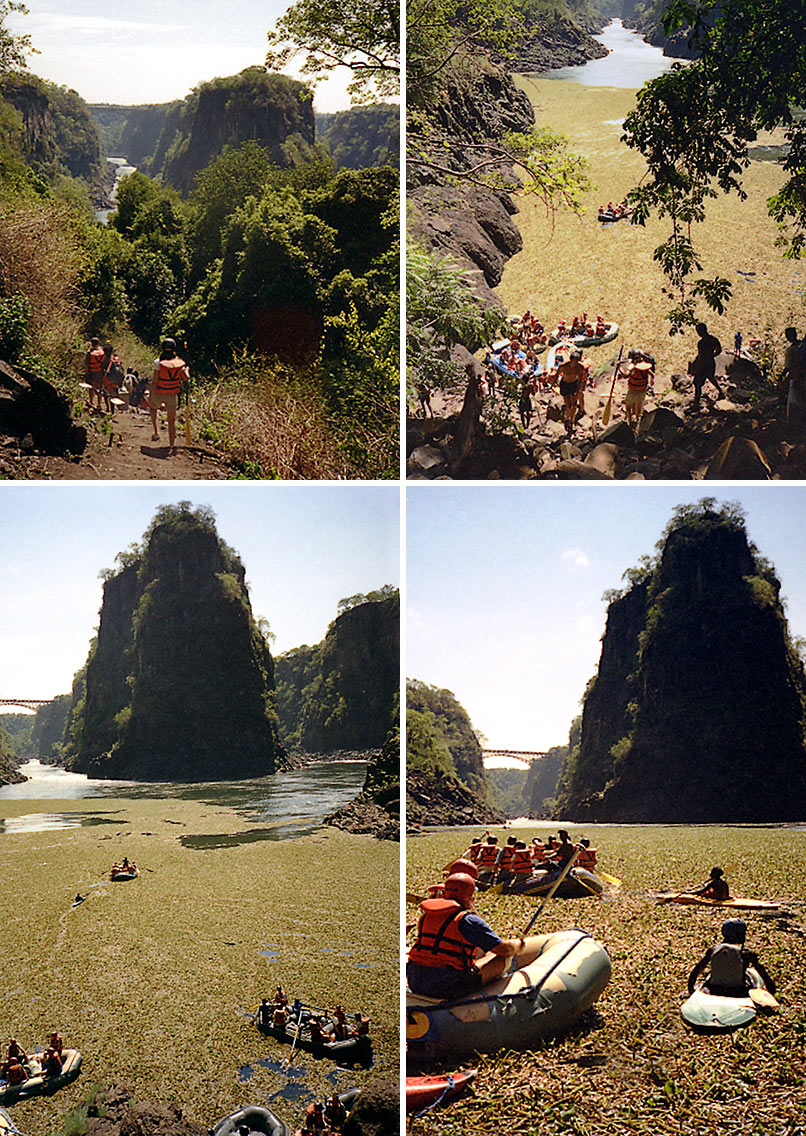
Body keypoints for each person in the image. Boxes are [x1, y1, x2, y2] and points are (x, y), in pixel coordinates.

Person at [407, 872, 540, 999]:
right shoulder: (467, 920)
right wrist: (518, 945)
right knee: (503, 959)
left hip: (415, 980)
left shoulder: (427, 915)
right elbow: (503, 949)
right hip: (446, 986)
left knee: (487, 955)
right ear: (471, 896)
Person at [688, 918, 776, 998]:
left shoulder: (713, 949)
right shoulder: (746, 953)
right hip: (737, 991)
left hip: (714, 988)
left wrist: (691, 988)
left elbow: (697, 969)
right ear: (740, 935)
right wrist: (772, 992)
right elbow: (762, 973)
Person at [150, 337, 189, 451]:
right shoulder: (179, 363)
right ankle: (171, 444)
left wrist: (151, 394)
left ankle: (156, 431)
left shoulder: (158, 362)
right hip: (172, 394)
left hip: (159, 391)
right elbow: (186, 378)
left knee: (152, 408)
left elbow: (155, 380)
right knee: (171, 421)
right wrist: (187, 369)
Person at [689, 322, 724, 410]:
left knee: (697, 383)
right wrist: (712, 355)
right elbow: (719, 350)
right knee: (711, 378)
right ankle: (720, 391)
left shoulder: (701, 343)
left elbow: (701, 356)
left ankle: (696, 403)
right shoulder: (713, 339)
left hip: (703, 364)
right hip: (711, 362)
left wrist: (696, 366)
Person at [557, 350, 588, 430]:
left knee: (574, 404)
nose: (574, 364)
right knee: (568, 405)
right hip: (565, 385)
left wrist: (578, 390)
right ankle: (567, 419)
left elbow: (580, 379)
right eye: (573, 361)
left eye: (576, 361)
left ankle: (571, 420)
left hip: (574, 384)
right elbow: (557, 374)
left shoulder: (580, 368)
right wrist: (554, 383)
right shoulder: (564, 366)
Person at [783, 326, 806, 432]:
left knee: (793, 402)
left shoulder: (791, 350)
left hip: (797, 377)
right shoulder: (802, 346)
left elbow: (788, 367)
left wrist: (782, 377)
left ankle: (792, 428)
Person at [85, 336, 106, 410]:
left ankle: (91, 402)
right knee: (100, 388)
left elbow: (87, 364)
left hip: (92, 372)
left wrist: (86, 373)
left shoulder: (90, 352)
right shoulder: (102, 351)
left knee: (91, 387)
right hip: (100, 372)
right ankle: (99, 404)